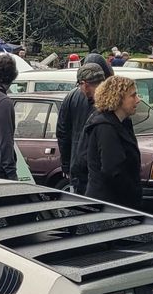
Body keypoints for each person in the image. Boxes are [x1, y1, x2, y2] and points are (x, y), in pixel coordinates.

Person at [78, 75, 142, 207]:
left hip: (117, 202)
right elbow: (112, 169)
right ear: (118, 98)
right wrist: (132, 192)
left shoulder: (122, 123)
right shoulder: (105, 126)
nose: (138, 100)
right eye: (133, 95)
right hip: (108, 205)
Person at [57, 63, 107, 194]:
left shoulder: (71, 97)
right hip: (99, 171)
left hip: (82, 169)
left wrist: (66, 165)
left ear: (84, 84)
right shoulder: (112, 100)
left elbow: (63, 133)